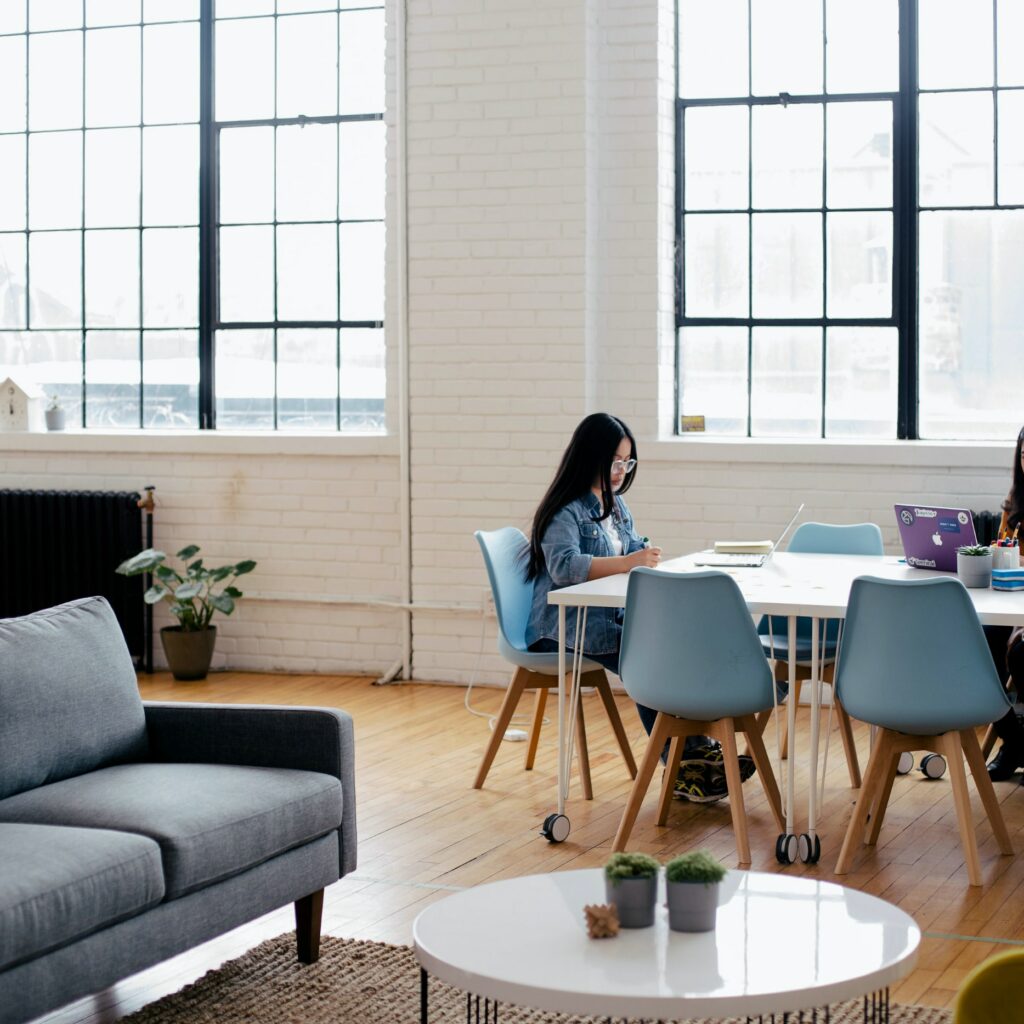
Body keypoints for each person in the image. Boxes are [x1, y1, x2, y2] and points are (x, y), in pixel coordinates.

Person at [523, 412, 753, 802]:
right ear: (589, 455)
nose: (620, 471)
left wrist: (641, 555)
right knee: (649, 656)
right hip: (562, 629)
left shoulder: (617, 506)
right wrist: (630, 562)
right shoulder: (566, 510)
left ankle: (695, 754)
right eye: (615, 461)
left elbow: (628, 551)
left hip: (608, 619)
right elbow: (564, 568)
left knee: (672, 643)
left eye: (627, 463)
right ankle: (683, 762)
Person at [987, 425, 1024, 781]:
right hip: (1013, 604)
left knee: (1021, 653)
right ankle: (1013, 738)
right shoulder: (1013, 508)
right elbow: (1003, 553)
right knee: (979, 644)